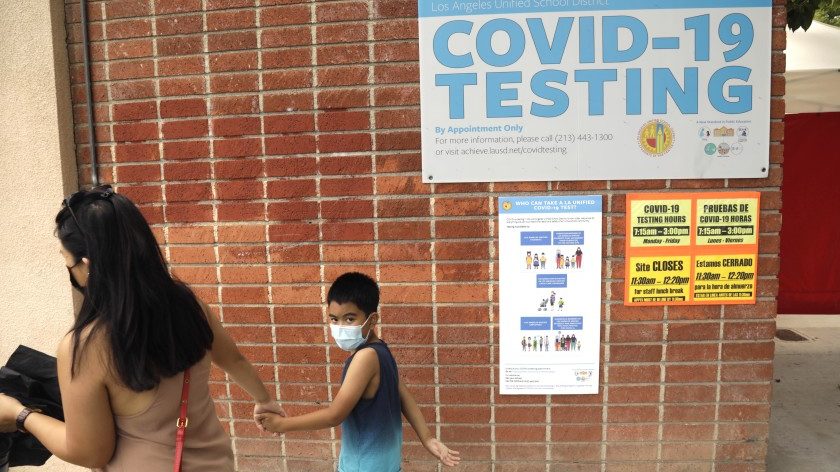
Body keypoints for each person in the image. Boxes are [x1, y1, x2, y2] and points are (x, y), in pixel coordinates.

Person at [0, 186, 283, 470]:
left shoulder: (85, 346)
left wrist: (21, 414)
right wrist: (264, 400)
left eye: (67, 261)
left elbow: (89, 452)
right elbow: (233, 359)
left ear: (87, 265)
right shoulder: (187, 304)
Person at [255, 272, 459, 471]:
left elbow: (335, 415)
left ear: (371, 320)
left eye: (350, 319)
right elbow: (403, 395)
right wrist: (427, 438)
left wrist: (282, 424)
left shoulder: (365, 358)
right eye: (334, 319)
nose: (340, 327)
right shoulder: (382, 351)